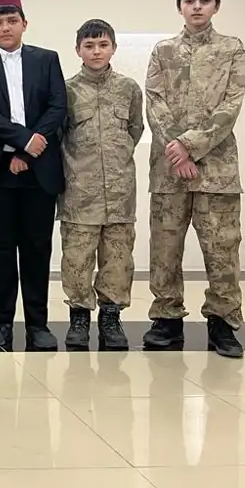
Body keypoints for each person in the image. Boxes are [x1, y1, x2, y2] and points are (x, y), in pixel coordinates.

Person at [144, 0, 245, 358]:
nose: (197, 6)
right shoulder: (163, 51)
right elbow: (154, 103)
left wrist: (190, 146)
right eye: (189, 0)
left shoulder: (232, 49)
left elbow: (231, 106)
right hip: (169, 171)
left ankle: (223, 322)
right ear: (180, 7)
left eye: (204, 0)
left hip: (216, 171)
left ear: (216, 5)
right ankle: (166, 318)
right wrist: (177, 152)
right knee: (165, 248)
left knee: (222, 249)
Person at [0, 0, 67, 351]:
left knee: (37, 248)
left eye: (12, 21)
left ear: (24, 23)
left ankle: (38, 323)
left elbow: (57, 106)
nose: (5, 28)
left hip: (39, 170)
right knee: (0, 249)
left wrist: (29, 150)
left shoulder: (47, 59)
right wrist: (23, 141)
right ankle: (1, 321)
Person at [58, 19, 143, 351]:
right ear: (78, 50)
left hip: (120, 194)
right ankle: (79, 317)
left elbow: (135, 130)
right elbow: (60, 136)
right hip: (79, 193)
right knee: (77, 259)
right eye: (89, 45)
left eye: (103, 45)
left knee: (118, 260)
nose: (96, 51)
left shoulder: (128, 89)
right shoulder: (66, 91)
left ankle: (111, 317)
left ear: (114, 48)